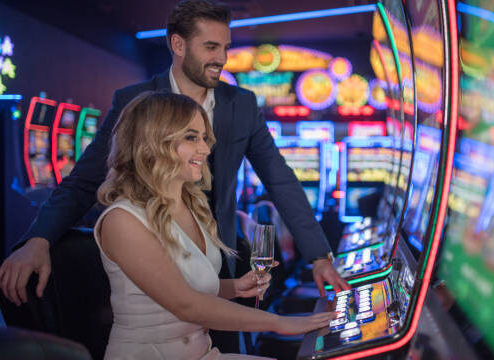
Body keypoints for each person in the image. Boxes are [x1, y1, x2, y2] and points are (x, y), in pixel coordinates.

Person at [0, 0, 347, 312]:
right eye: (210, 47)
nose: (221, 58)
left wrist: (319, 255)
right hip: (152, 258)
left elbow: (280, 179)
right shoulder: (134, 100)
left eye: (225, 47)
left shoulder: (241, 105)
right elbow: (83, 181)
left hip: (218, 259)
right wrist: (38, 239)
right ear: (177, 45)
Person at [94, 91, 333, 359]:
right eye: (191, 137)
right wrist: (280, 323)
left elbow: (186, 286)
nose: (206, 149)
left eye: (204, 138)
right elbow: (186, 305)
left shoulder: (191, 206)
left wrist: (235, 287)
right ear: (154, 141)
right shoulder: (123, 220)